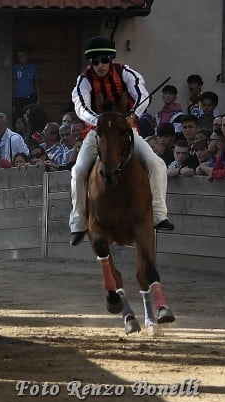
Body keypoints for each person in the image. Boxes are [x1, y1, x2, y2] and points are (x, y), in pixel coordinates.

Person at [69, 36, 174, 246]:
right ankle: (78, 221)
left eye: (104, 60)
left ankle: (158, 213)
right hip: (97, 131)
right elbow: (80, 106)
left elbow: (143, 94)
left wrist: (132, 116)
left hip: (127, 130)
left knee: (156, 163)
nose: (99, 65)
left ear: (111, 60)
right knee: (78, 171)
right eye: (95, 62)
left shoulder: (127, 73)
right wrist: (98, 120)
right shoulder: (84, 79)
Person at [12, 46, 40, 121]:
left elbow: (36, 83)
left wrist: (38, 99)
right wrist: (13, 100)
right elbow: (14, 84)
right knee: (20, 117)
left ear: (27, 56)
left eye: (23, 55)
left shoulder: (33, 67)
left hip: (31, 96)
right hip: (19, 97)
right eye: (19, 56)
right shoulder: (15, 68)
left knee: (31, 117)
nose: (21, 58)